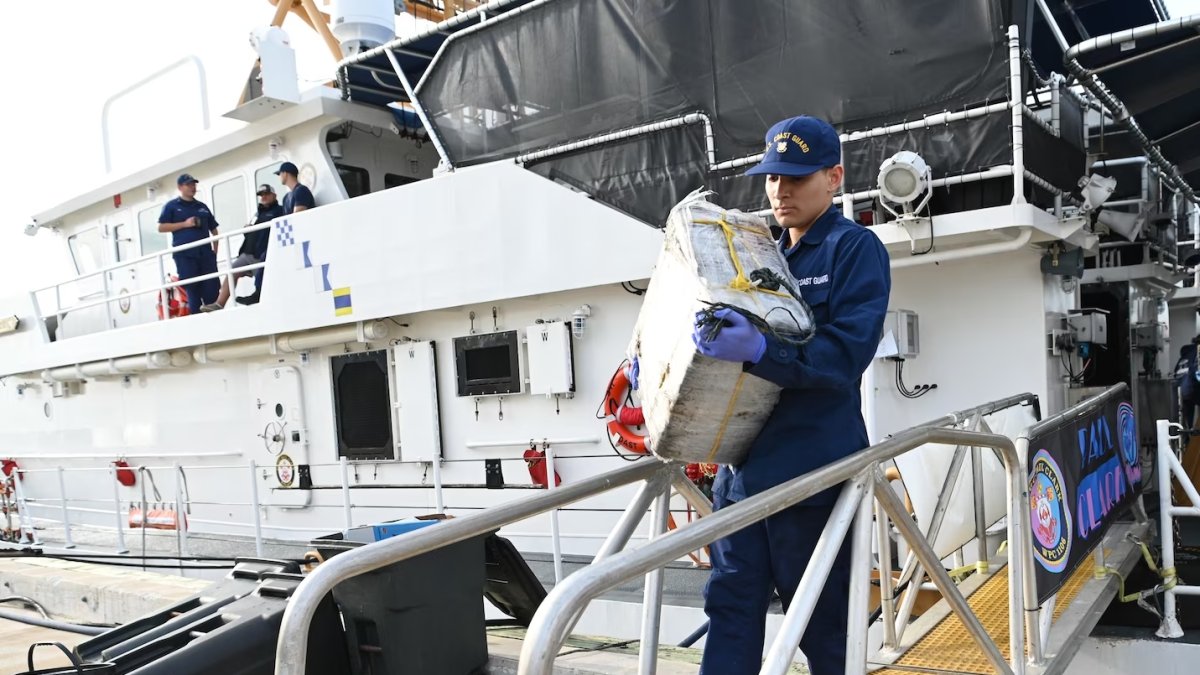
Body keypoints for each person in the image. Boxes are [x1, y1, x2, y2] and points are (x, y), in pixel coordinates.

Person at [693, 116, 891, 674]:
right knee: (730, 611)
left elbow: (845, 354)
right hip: (744, 477)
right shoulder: (757, 252)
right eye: (773, 177)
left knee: (824, 631)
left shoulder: (854, 250)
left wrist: (763, 350)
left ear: (834, 178)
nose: (781, 190)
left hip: (814, 479)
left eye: (797, 178)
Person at [202, 184, 283, 311]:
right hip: (248, 253)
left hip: (262, 254)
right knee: (232, 271)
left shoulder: (279, 211)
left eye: (266, 194)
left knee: (264, 281)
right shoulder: (258, 213)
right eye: (261, 195)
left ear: (274, 195)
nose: (264, 197)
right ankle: (219, 304)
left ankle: (266, 306)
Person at [158, 173, 220, 315]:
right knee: (193, 293)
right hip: (185, 256)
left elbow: (214, 230)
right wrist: (185, 224)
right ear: (180, 187)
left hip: (205, 255)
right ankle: (198, 326)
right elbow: (161, 227)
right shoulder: (172, 206)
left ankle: (216, 323)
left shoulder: (202, 207)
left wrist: (214, 251)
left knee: (212, 291)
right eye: (189, 184)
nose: (192, 187)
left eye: (194, 184)